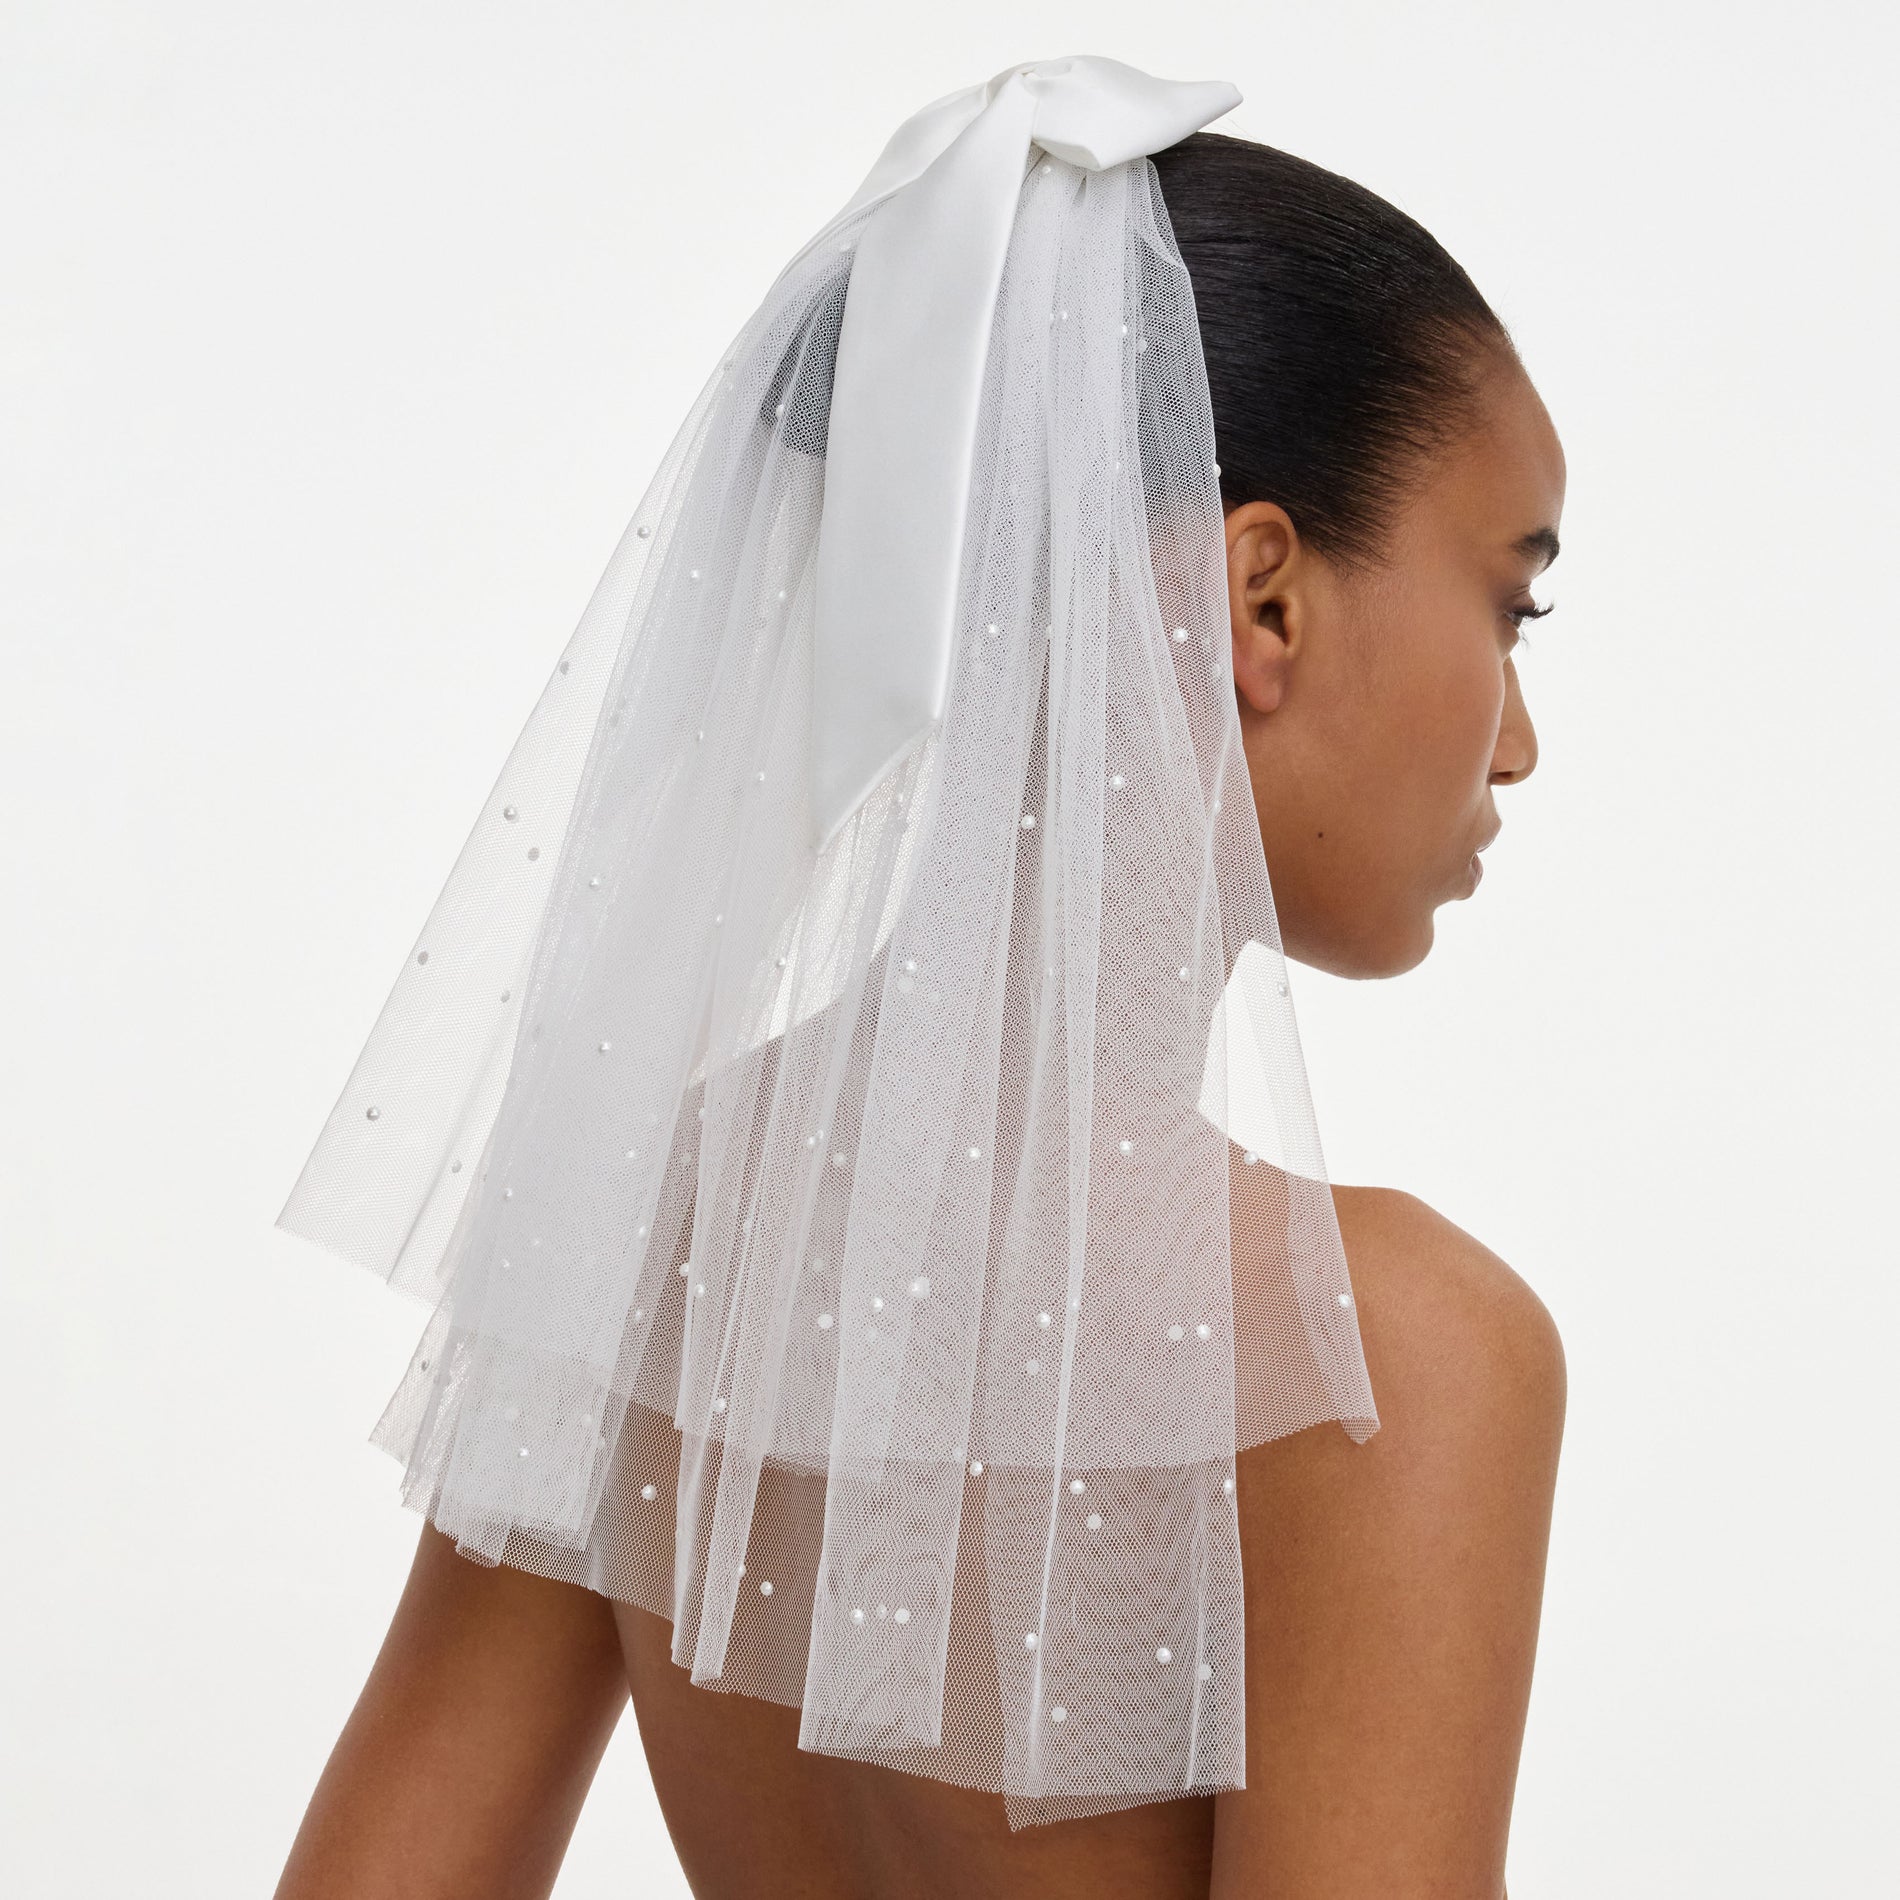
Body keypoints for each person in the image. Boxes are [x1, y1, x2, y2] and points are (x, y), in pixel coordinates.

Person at [274, 63, 1566, 1900]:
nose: (1517, 742)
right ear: (1261, 597)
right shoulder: (1385, 1361)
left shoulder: (676, 1228)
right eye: (1514, 607)